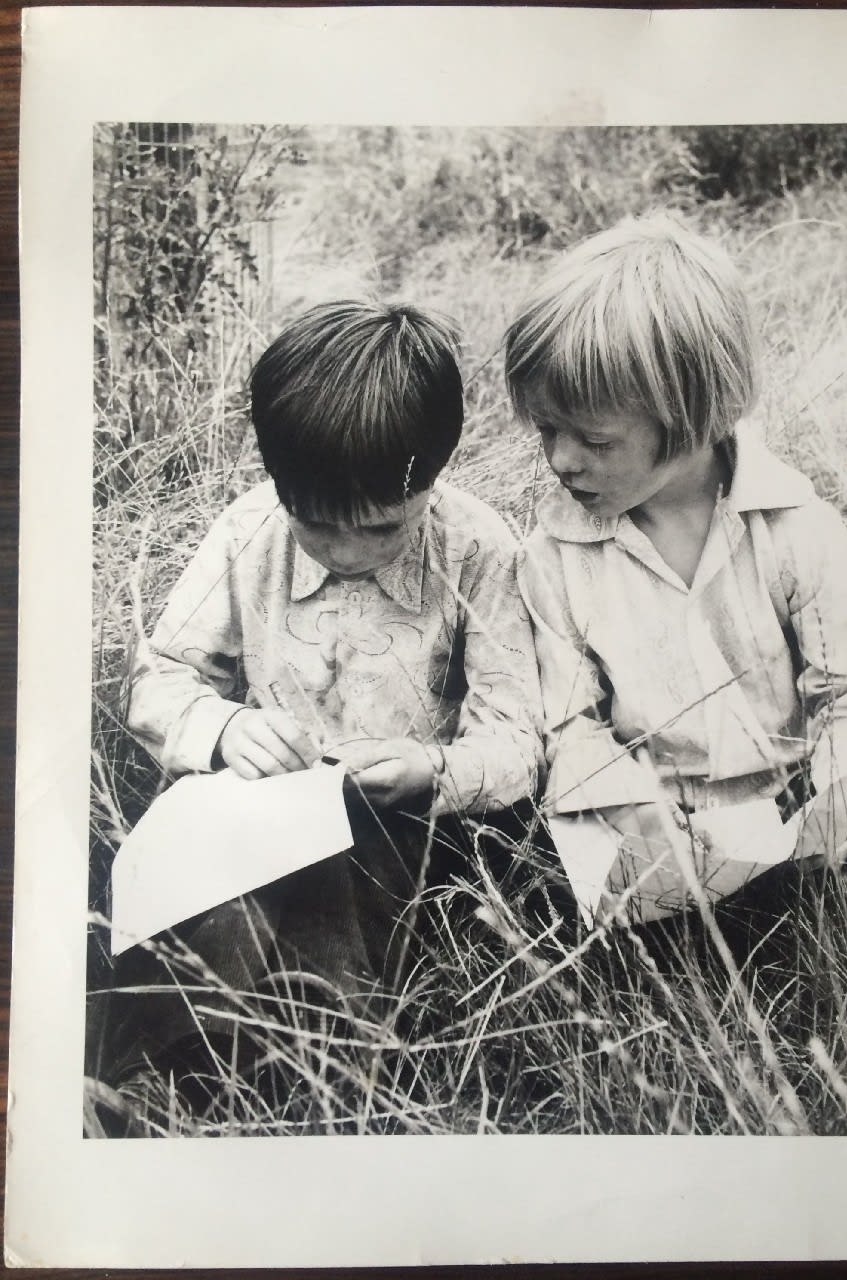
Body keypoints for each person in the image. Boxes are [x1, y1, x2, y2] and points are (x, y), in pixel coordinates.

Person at [90, 300, 549, 1101]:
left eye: (379, 529)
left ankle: (318, 1067)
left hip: (403, 829)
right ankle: (156, 1078)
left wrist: (431, 769)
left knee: (336, 897)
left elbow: (519, 737)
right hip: (250, 811)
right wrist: (224, 728)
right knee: (210, 905)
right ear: (278, 482)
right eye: (316, 525)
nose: (344, 553)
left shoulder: (479, 552)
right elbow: (160, 676)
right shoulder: (247, 535)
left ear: (432, 478)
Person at [507, 211, 847, 1008]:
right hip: (654, 825)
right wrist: (632, 808)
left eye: (593, 438)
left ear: (692, 415)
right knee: (609, 954)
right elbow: (570, 721)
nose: (560, 461)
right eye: (546, 431)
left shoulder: (796, 530)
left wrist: (836, 796)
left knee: (829, 952)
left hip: (793, 814)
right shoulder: (554, 556)